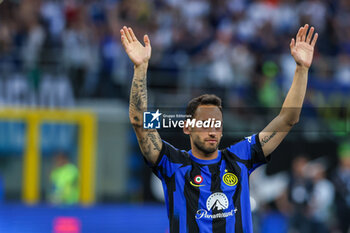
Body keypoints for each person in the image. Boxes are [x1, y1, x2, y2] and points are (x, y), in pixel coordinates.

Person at [121, 24, 318, 233]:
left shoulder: (240, 157)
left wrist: (301, 69)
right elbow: (139, 122)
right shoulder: (173, 163)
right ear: (187, 127)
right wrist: (140, 68)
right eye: (205, 123)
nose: (212, 130)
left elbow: (288, 118)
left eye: (216, 124)